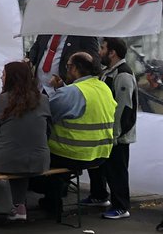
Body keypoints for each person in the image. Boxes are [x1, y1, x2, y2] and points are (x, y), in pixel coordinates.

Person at [31, 51, 116, 217]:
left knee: (36, 153)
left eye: (68, 66)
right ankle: (54, 196)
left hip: (74, 153)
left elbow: (45, 113)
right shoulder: (102, 87)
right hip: (101, 153)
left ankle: (52, 201)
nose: (66, 70)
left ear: (75, 68)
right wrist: (62, 89)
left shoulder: (72, 92)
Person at [0, 60, 51, 221]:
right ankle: (19, 206)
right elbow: (48, 130)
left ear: (10, 78)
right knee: (21, 156)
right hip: (39, 161)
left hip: (8, 160)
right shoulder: (43, 100)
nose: (2, 78)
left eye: (3, 75)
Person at [87, 37, 138, 220]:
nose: (99, 52)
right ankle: (99, 195)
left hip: (118, 136)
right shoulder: (108, 71)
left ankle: (121, 206)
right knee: (102, 168)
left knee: (117, 171)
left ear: (112, 52)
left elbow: (124, 109)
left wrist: (115, 134)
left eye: (102, 48)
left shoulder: (122, 74)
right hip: (107, 133)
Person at [27, 34, 99, 93]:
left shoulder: (83, 34)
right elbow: (36, 47)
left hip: (63, 90)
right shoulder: (47, 28)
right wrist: (30, 61)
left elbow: (94, 63)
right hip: (39, 87)